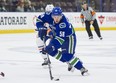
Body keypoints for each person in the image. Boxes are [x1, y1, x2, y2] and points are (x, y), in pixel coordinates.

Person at [42, 7, 88, 75]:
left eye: (58, 17)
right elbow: (41, 20)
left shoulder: (63, 24)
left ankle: (82, 68)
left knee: (67, 56)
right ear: (52, 16)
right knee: (51, 51)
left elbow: (59, 40)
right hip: (59, 36)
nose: (56, 19)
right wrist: (42, 30)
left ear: (61, 15)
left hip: (68, 38)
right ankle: (70, 61)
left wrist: (51, 46)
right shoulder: (50, 19)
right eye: (54, 16)